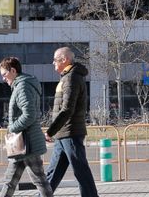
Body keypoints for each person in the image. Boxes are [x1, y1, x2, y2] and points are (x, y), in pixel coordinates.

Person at [45, 47, 99, 197]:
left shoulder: (71, 78)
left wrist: (51, 130)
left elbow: (67, 109)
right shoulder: (67, 77)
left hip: (71, 132)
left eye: (55, 59)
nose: (53, 63)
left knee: (81, 171)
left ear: (64, 59)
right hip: (63, 133)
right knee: (52, 173)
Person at [0, 56, 54, 197]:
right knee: (12, 181)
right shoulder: (21, 85)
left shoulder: (22, 87)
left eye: (5, 74)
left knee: (38, 181)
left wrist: (12, 128)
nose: (4, 78)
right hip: (23, 143)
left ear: (13, 70)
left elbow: (29, 115)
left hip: (27, 143)